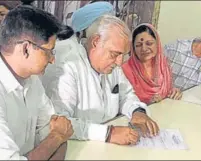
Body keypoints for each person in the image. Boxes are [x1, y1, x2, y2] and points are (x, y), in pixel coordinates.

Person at [0, 5, 74, 160]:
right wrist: (56, 137)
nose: (52, 59)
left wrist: (57, 137)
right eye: (49, 51)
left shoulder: (31, 79)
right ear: (26, 49)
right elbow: (58, 135)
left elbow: (59, 130)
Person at [42, 14, 160, 146]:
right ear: (96, 42)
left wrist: (137, 112)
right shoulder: (67, 67)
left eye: (123, 55)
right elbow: (59, 123)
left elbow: (126, 95)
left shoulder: (112, 66)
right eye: (115, 54)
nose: (119, 62)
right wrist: (108, 133)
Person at [122, 23, 182, 104]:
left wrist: (173, 92)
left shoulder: (164, 65)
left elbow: (168, 91)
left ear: (157, 44)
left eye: (149, 43)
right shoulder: (125, 70)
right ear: (133, 48)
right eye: (138, 45)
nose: (144, 48)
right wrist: (148, 102)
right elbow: (122, 102)